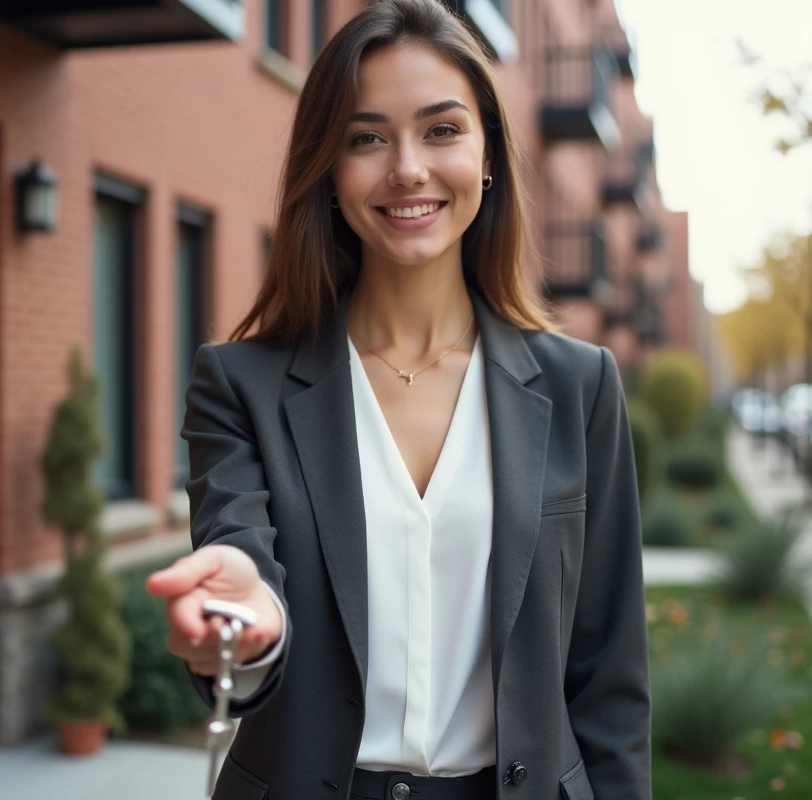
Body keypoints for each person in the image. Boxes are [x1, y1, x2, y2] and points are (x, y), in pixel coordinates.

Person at [144, 1, 650, 798]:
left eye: (442, 130)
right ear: (329, 172)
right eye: (366, 138)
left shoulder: (578, 385)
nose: (407, 168)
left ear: (487, 157)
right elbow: (245, 565)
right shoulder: (240, 384)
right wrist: (247, 629)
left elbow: (610, 676)